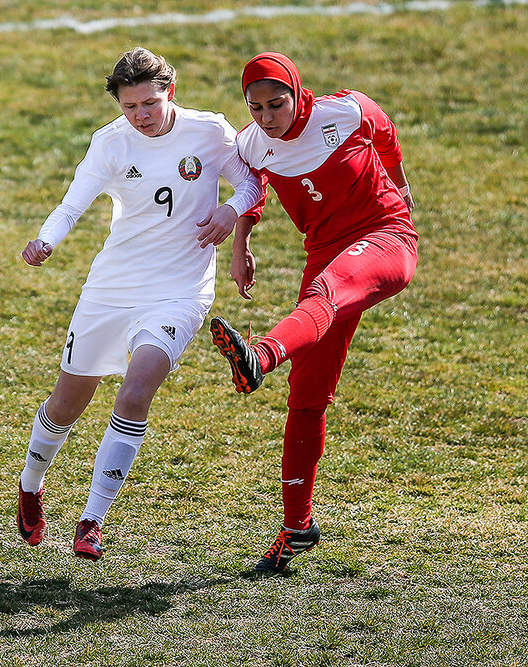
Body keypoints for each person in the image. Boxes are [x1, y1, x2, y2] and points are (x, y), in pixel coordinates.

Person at [17, 47, 263, 561]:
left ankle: (91, 521)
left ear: (170, 91)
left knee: (134, 394)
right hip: (113, 286)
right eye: (130, 107)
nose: (141, 116)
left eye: (149, 103)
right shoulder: (110, 143)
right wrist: (46, 241)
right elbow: (71, 205)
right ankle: (30, 486)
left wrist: (229, 210)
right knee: (66, 404)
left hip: (179, 289)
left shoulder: (209, 131)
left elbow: (250, 181)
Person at [209, 52, 418, 573]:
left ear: (297, 93)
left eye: (276, 104)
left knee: (322, 295)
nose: (267, 117)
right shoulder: (252, 143)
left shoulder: (344, 111)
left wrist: (400, 184)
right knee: (306, 397)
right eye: (255, 107)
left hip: (385, 236)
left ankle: (259, 356)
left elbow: (386, 133)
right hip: (324, 253)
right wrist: (241, 245)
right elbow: (252, 189)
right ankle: (296, 527)